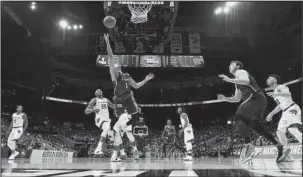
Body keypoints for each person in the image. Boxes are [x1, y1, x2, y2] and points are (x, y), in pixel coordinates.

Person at [217, 61, 287, 163]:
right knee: (255, 125)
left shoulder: (240, 72)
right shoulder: (237, 82)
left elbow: (246, 81)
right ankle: (279, 146)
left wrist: (228, 79)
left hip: (254, 97)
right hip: (259, 101)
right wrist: (225, 98)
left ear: (237, 66)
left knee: (238, 117)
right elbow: (236, 98)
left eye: (231, 64)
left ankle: (249, 145)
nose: (229, 66)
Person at [100, 33, 154, 125]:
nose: (115, 63)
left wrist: (146, 79)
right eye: (114, 63)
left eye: (117, 62)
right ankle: (112, 128)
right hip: (119, 98)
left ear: (120, 66)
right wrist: (107, 41)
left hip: (128, 97)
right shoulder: (115, 75)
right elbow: (110, 56)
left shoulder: (126, 76)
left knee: (135, 115)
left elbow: (136, 86)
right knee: (116, 119)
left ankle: (129, 124)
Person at [266, 74, 302, 162]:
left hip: (292, 108)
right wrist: (271, 114)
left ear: (275, 80)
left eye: (269, 78)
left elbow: (288, 94)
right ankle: (287, 153)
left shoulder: (281, 87)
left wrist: (276, 93)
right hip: (284, 111)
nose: (267, 79)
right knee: (279, 132)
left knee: (292, 129)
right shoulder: (275, 92)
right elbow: (279, 106)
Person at [85, 89, 115, 155]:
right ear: (95, 94)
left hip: (107, 119)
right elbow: (86, 111)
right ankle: (98, 149)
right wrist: (93, 109)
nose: (98, 90)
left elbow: (113, 106)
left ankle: (116, 153)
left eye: (99, 90)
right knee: (107, 127)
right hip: (99, 119)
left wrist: (123, 108)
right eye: (97, 90)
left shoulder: (106, 100)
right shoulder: (94, 100)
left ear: (102, 92)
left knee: (115, 135)